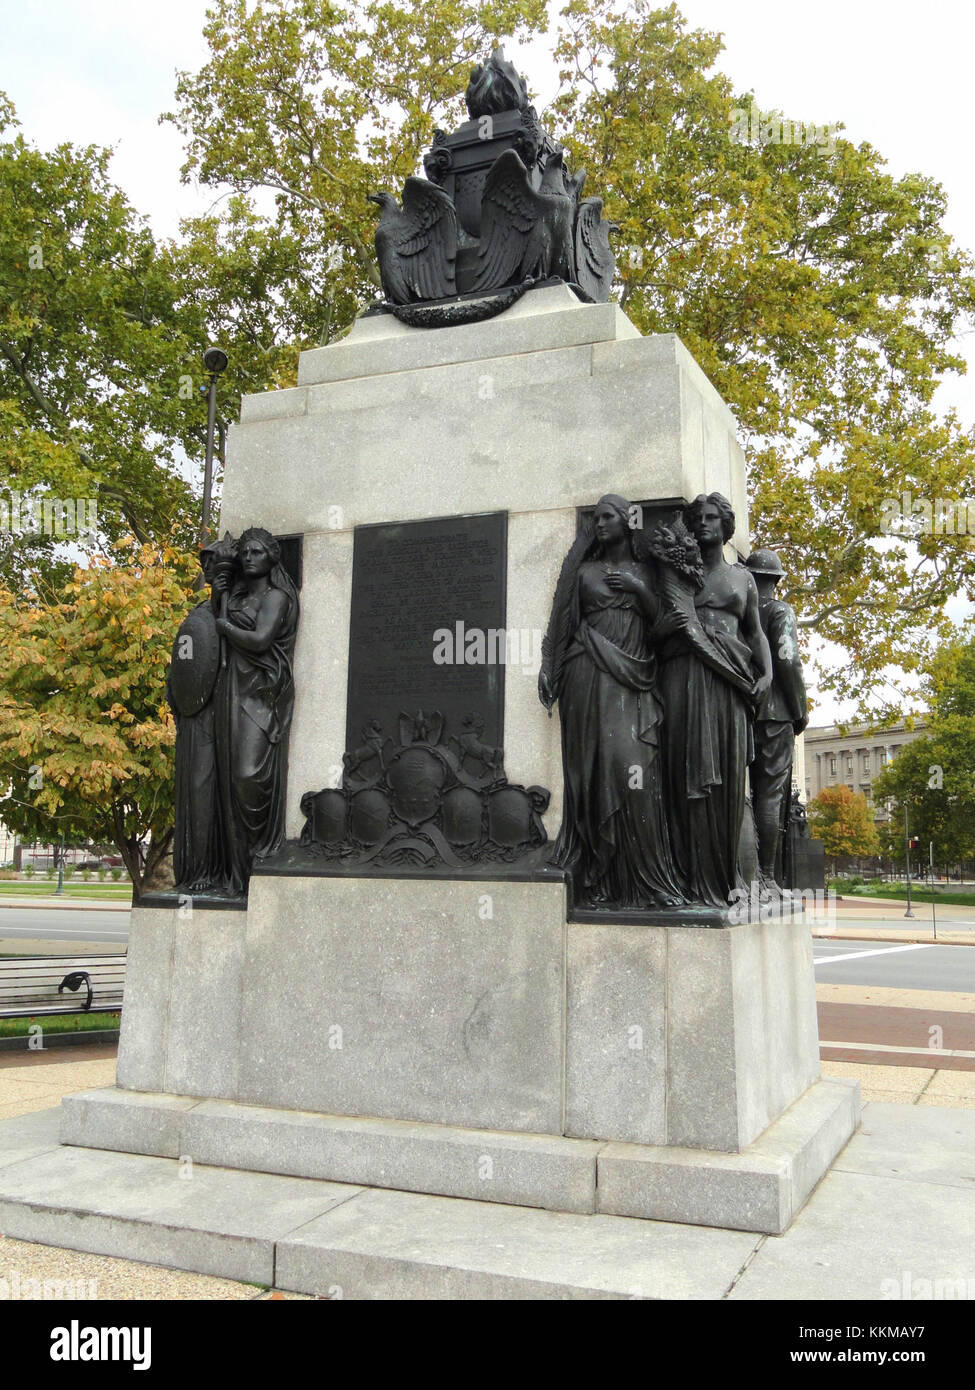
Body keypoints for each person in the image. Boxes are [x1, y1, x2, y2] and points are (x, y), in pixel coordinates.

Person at [538, 495, 685, 908]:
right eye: (597, 518)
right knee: (592, 774)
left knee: (632, 771)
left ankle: (646, 881)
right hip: (586, 675)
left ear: (627, 522)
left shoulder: (647, 573)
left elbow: (664, 627)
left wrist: (640, 589)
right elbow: (564, 622)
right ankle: (599, 877)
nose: (600, 524)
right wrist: (550, 668)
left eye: (608, 517)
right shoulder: (584, 573)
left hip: (634, 679)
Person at [655, 494, 772, 907]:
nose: (704, 524)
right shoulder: (677, 574)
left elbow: (755, 633)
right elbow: (656, 632)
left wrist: (768, 674)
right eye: (698, 518)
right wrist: (668, 626)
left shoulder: (742, 579)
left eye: (712, 519)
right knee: (683, 774)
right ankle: (688, 877)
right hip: (682, 677)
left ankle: (730, 878)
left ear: (726, 527)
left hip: (729, 684)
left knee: (727, 778)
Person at [213, 528, 300, 893]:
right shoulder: (234, 597)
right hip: (232, 685)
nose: (248, 557)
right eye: (244, 552)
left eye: (256, 552)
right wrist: (218, 597)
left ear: (271, 559)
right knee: (228, 775)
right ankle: (236, 871)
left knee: (247, 774)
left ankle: (260, 852)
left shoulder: (277, 598)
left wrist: (226, 627)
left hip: (262, 690)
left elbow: (261, 640)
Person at [745, 549, 808, 885]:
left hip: (741, 711)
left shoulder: (739, 610)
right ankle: (766, 876)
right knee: (769, 795)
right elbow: (788, 660)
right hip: (775, 714)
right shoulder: (780, 610)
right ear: (775, 580)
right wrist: (800, 710)